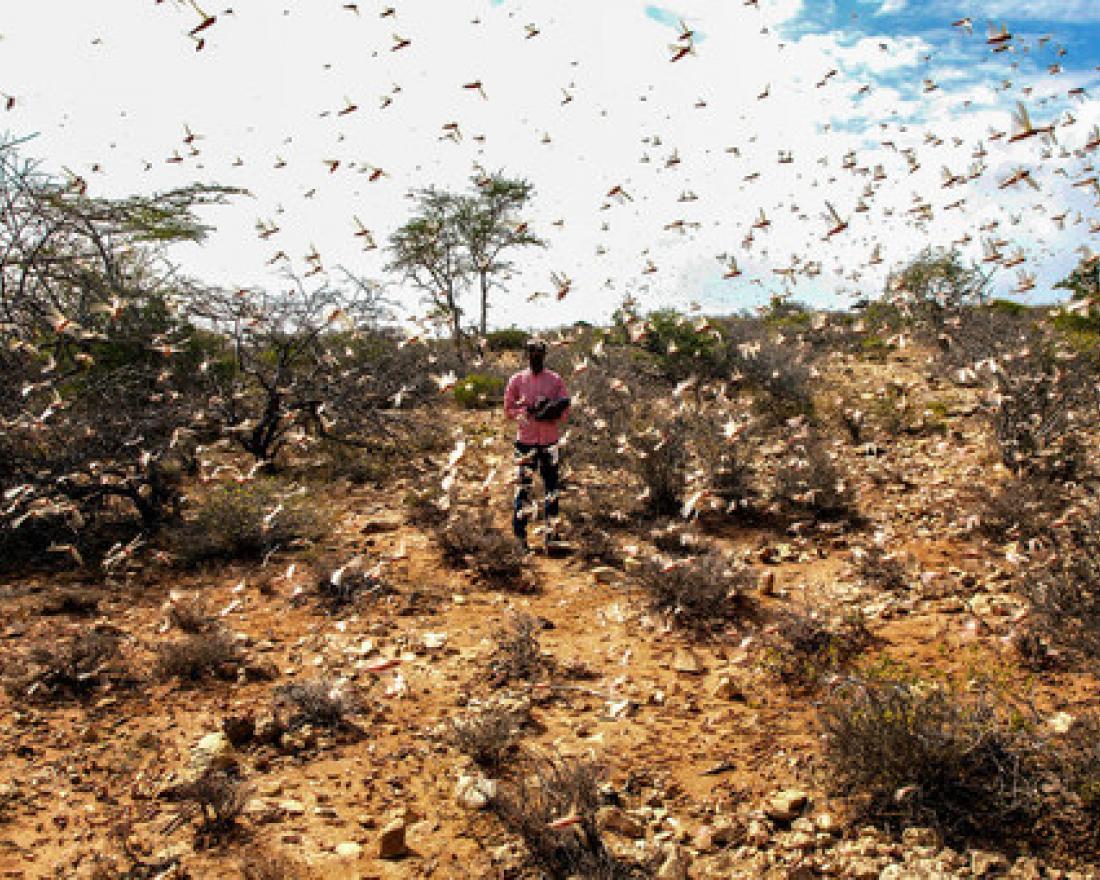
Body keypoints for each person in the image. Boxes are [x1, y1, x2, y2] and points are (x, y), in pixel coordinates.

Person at [503, 337, 570, 550]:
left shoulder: (555, 380)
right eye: (532, 352)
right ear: (527, 354)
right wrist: (528, 411)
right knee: (523, 489)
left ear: (544, 354)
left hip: (550, 441)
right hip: (525, 442)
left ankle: (551, 538)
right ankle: (520, 538)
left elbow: (566, 408)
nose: (536, 356)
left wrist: (551, 411)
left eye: (539, 352)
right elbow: (508, 409)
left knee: (552, 489)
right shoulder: (516, 380)